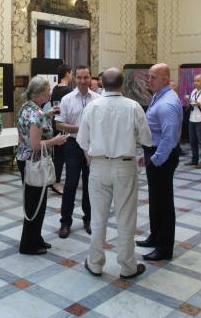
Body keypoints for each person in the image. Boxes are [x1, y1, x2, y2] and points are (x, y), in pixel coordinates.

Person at [77, 68, 150, 278]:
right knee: (126, 218)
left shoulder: (92, 107)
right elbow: (146, 138)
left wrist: (93, 154)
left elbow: (82, 141)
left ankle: (95, 263)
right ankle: (128, 266)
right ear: (122, 84)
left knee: (98, 219)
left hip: (99, 166)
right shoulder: (133, 106)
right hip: (125, 165)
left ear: (102, 83)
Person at [136, 63, 182, 261]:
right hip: (155, 153)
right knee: (155, 200)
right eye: (149, 76)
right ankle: (155, 237)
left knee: (163, 202)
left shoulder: (167, 103)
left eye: (154, 77)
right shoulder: (159, 96)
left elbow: (169, 139)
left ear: (165, 79)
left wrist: (154, 159)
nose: (149, 80)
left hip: (162, 156)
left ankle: (164, 248)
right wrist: (146, 154)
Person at [16, 77, 67, 254]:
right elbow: (36, 144)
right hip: (34, 162)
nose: (50, 93)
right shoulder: (36, 114)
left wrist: (48, 114)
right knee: (35, 205)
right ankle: (28, 245)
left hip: (25, 160)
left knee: (36, 201)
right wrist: (56, 140)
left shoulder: (27, 107)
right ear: (40, 93)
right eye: (48, 90)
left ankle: (36, 238)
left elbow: (31, 125)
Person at [55, 65, 101, 238]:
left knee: (91, 185)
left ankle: (88, 219)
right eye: (80, 77)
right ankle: (65, 222)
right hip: (73, 145)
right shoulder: (66, 99)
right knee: (71, 184)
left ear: (90, 78)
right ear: (74, 78)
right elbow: (59, 124)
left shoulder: (98, 98)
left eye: (86, 77)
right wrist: (81, 128)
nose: (83, 81)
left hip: (92, 146)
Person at [50, 64, 73, 195]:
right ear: (67, 74)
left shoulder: (55, 89)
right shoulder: (68, 90)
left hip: (55, 123)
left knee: (57, 154)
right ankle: (56, 182)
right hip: (64, 125)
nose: (72, 76)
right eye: (71, 73)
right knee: (61, 156)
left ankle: (54, 180)